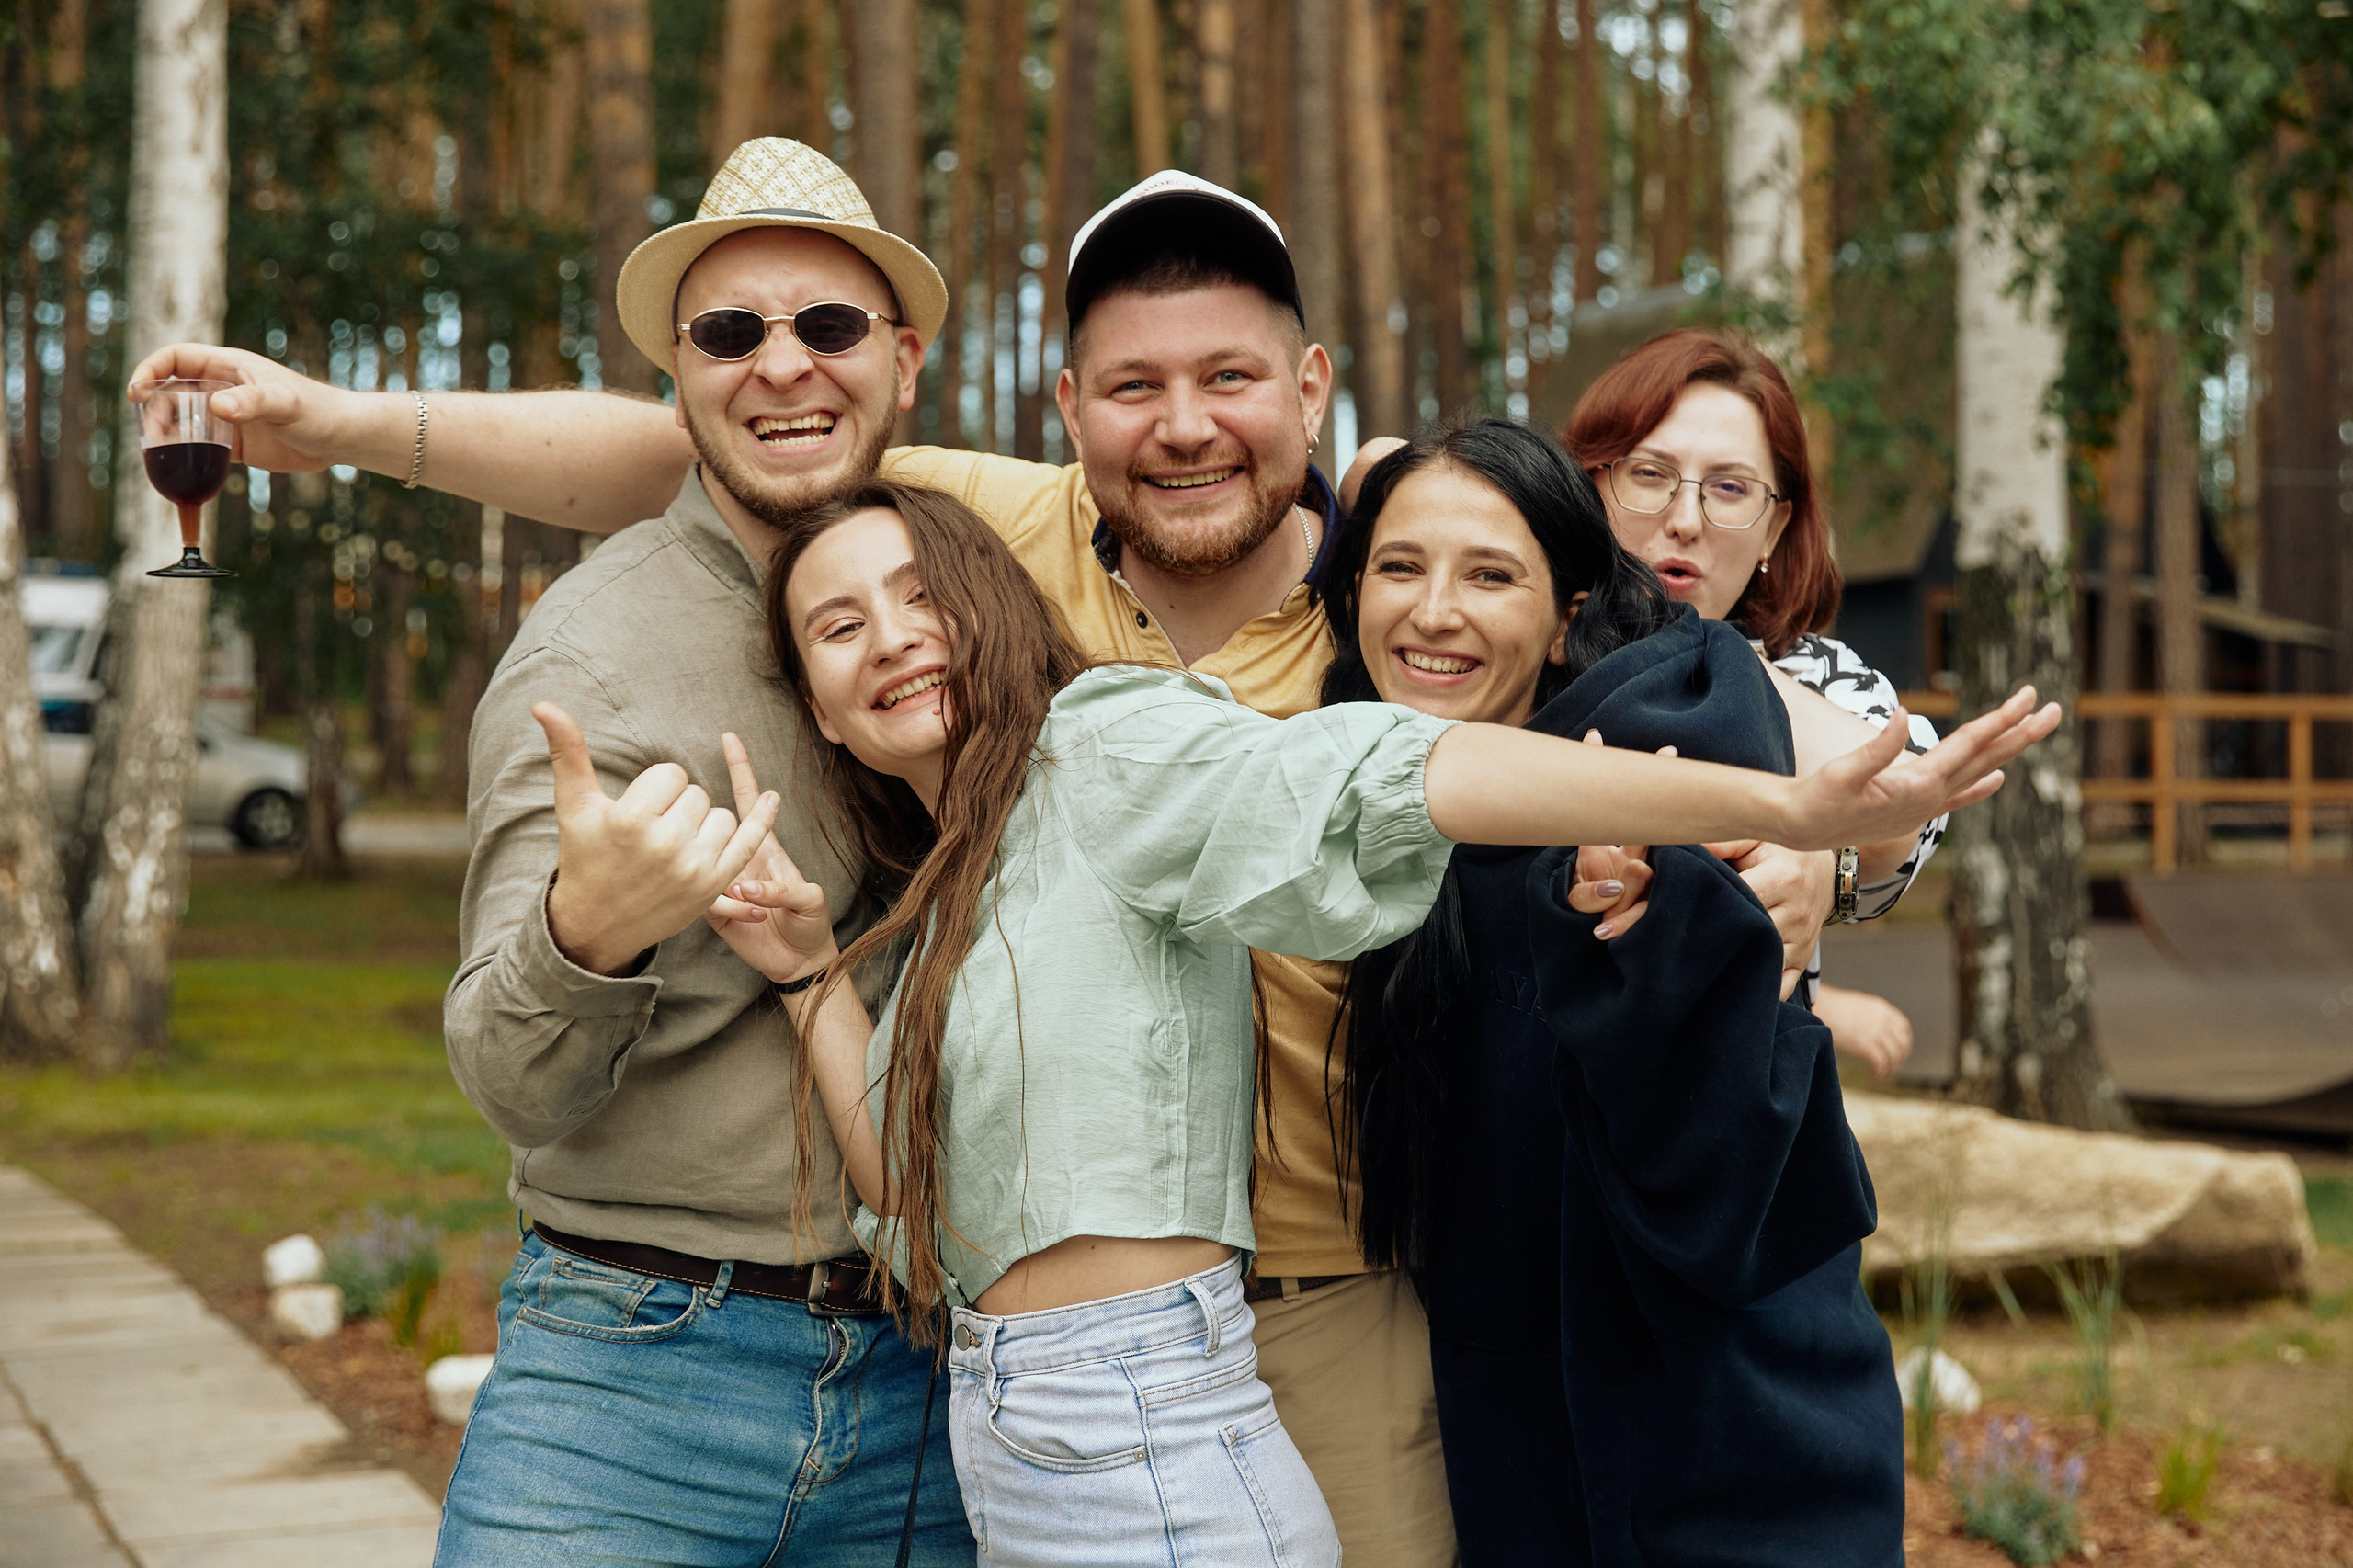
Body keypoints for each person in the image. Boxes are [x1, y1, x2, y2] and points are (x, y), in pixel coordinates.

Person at [133, 161, 1870, 1567]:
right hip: (1006, 1353)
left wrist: (1794, 835)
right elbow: (693, 443)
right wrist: (329, 426)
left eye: (1230, 381)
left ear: (1316, 392)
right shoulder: (987, 550)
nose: (1183, 425)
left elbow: (1643, 678)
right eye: (1133, 387)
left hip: (1340, 1301)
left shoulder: (1404, 593)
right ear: (1066, 409)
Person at [679, 476, 2053, 1566]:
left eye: (920, 594)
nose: (894, 638)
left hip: (1146, 1439)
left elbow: (1383, 775)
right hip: (1008, 1438)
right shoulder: (939, 917)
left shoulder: (1103, 751)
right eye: (840, 625)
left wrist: (1778, 811)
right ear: (821, 710)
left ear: (991, 604)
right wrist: (806, 975)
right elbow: (919, 1216)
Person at [1322, 421, 1912, 1564]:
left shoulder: (1660, 773)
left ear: (1565, 616)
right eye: (1398, 566)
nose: (1433, 610)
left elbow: (1725, 1185)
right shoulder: (1355, 805)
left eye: (1491, 574)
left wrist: (1656, 949)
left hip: (1740, 1467)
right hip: (1523, 1468)